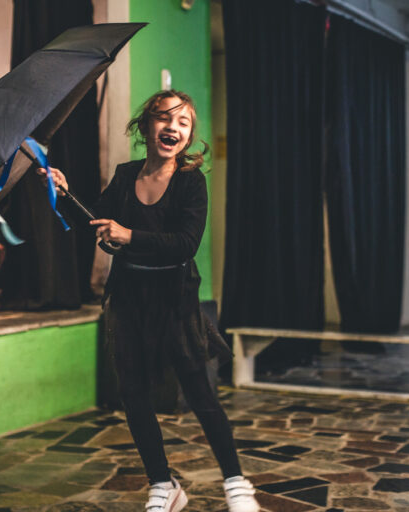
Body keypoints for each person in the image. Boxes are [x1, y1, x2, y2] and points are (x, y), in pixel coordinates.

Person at [46, 90, 260, 512]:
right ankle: (163, 484)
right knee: (134, 394)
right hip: (129, 299)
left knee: (200, 394)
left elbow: (184, 244)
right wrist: (64, 192)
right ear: (145, 126)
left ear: (189, 136)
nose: (172, 127)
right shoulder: (125, 175)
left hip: (175, 300)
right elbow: (94, 222)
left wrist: (129, 235)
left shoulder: (190, 182)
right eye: (164, 118)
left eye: (183, 122)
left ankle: (237, 484)